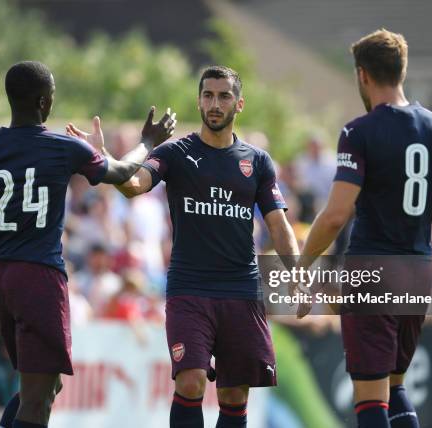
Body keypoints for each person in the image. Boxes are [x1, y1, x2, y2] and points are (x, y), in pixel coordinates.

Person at [0, 60, 176, 428]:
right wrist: (148, 141)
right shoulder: (62, 148)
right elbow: (120, 173)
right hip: (40, 279)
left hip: (2, 276)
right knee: (36, 404)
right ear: (42, 103)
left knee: (39, 391)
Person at [67, 65, 300, 428]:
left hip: (241, 288)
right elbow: (132, 185)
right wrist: (105, 160)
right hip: (189, 288)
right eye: (208, 95)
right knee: (190, 382)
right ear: (198, 101)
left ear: (239, 104)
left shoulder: (257, 161)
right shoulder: (177, 153)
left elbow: (278, 224)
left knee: (234, 394)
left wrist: (297, 272)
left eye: (224, 96)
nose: (215, 103)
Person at [298, 30, 432, 428]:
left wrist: (303, 265)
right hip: (419, 272)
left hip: (373, 270)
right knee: (395, 388)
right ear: (400, 71)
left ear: (363, 75)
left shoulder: (359, 132)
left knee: (369, 397)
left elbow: (334, 216)